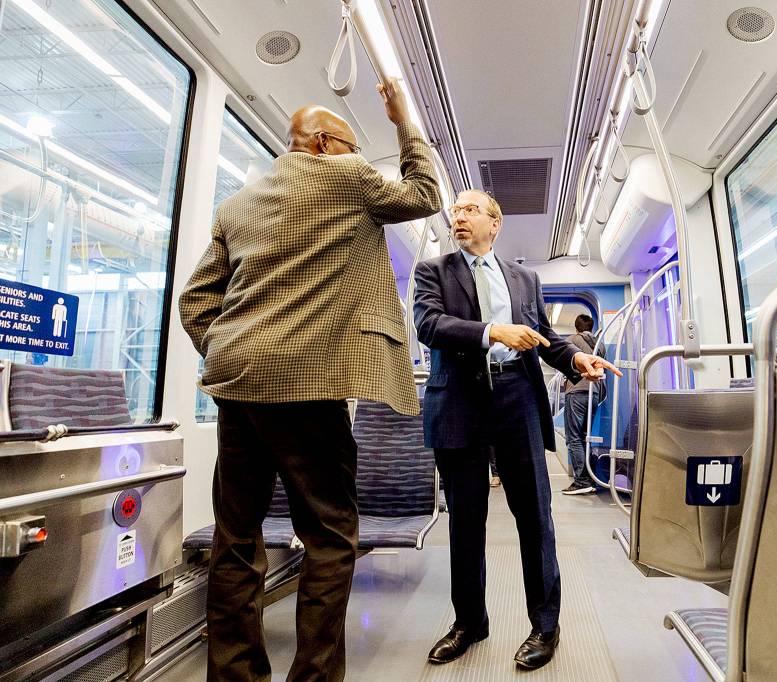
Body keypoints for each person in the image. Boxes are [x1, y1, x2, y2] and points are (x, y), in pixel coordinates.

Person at [179, 78, 440, 681]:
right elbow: (425, 193)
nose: (354, 154)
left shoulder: (237, 204)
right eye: (350, 144)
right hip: (308, 386)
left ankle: (236, 675)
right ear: (323, 144)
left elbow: (196, 300)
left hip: (238, 388)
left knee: (236, 536)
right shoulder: (344, 177)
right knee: (328, 536)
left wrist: (231, 350)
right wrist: (403, 123)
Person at [413, 189, 620, 671]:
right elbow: (429, 324)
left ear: (495, 223)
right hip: (460, 401)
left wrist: (575, 358)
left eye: (470, 210)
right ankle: (470, 622)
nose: (458, 217)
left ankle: (545, 625)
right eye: (455, 211)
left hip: (516, 399)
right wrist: (492, 331)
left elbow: (543, 337)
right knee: (466, 521)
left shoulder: (524, 280)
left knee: (535, 517)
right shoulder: (433, 272)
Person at [561, 314, 606, 495]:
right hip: (594, 393)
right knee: (585, 436)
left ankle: (581, 481)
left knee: (574, 436)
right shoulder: (599, 344)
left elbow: (564, 363)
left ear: (576, 327)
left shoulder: (572, 340)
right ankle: (590, 476)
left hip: (577, 391)